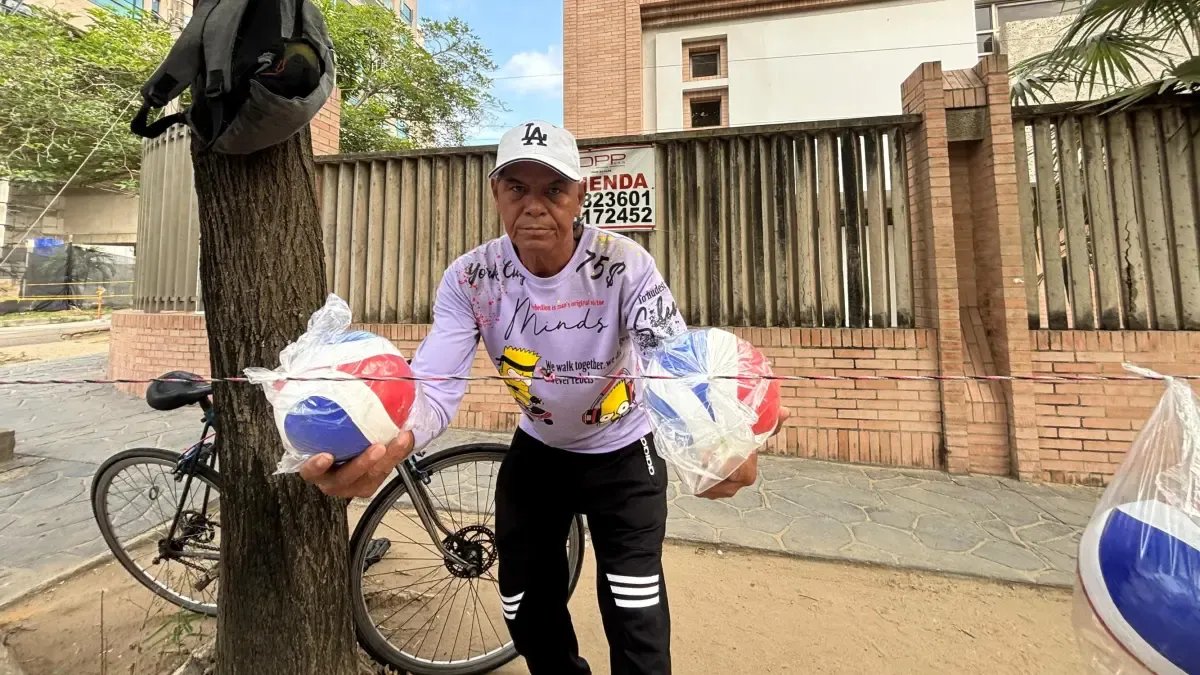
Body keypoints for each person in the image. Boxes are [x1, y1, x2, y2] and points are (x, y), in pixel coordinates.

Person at [298, 120, 789, 674]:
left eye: (553, 189)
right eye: (517, 188)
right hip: (539, 455)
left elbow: (669, 364)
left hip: (624, 453)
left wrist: (720, 437)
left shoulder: (624, 265)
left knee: (635, 611)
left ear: (580, 195)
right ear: (496, 194)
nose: (534, 206)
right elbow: (434, 383)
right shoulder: (470, 278)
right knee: (524, 606)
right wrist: (391, 441)